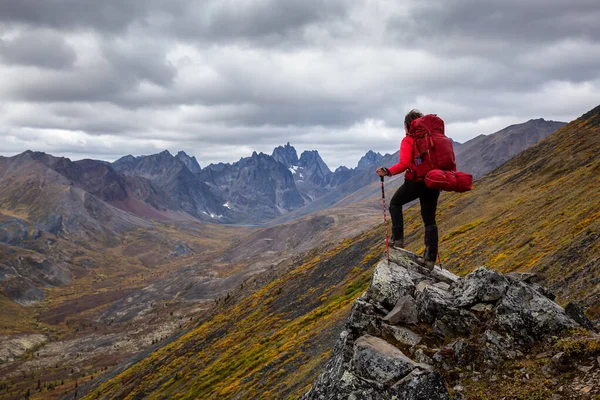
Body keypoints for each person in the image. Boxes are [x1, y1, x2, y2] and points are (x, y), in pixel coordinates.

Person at [376, 109, 440, 270]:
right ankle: (430, 258)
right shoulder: (432, 138)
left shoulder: (409, 140)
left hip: (416, 182)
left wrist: (388, 171)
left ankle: (397, 239)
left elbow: (404, 164)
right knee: (430, 220)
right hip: (434, 182)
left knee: (395, 203)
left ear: (407, 126)